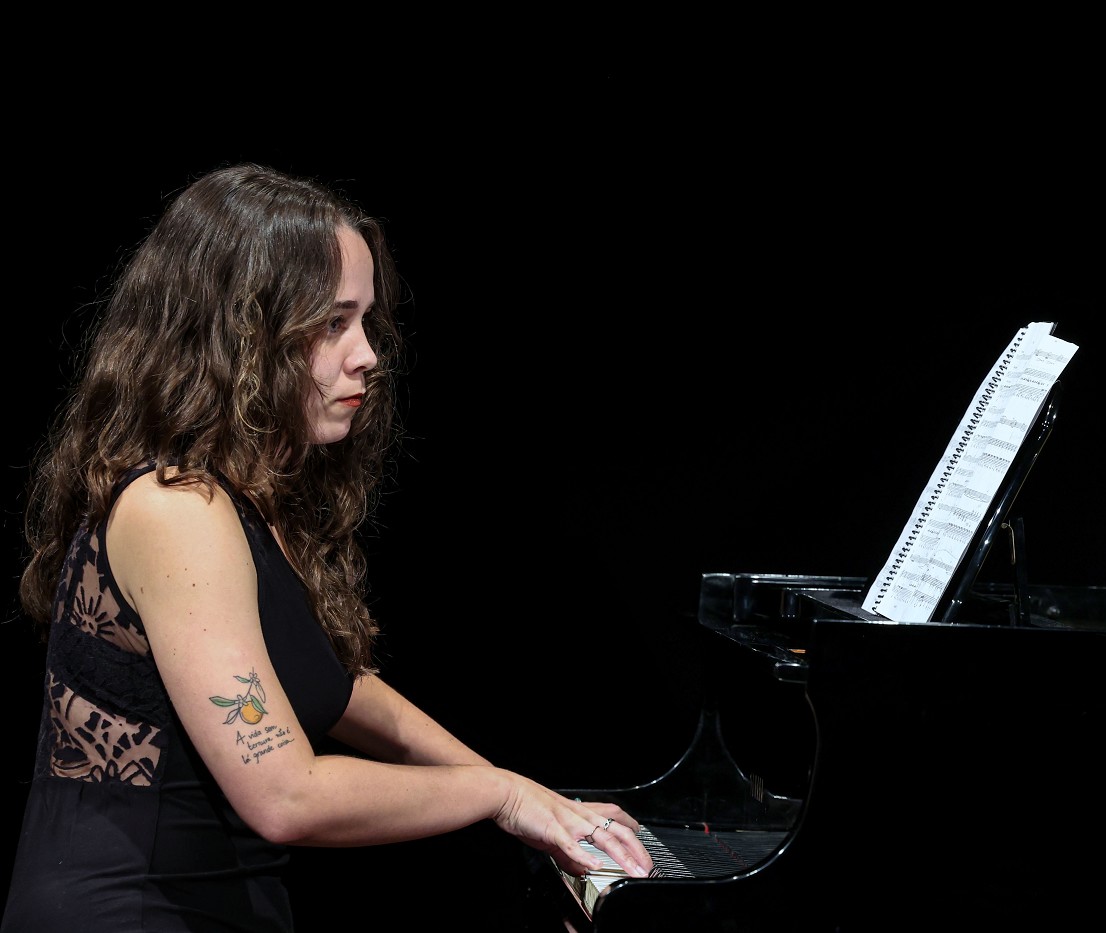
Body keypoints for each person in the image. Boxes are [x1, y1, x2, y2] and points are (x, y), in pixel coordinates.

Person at [1, 162, 652, 931]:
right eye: (333, 323)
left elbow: (338, 689)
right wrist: (501, 796)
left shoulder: (245, 500)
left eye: (367, 321)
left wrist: (533, 797)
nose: (367, 353)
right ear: (244, 335)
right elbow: (284, 794)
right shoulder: (175, 510)